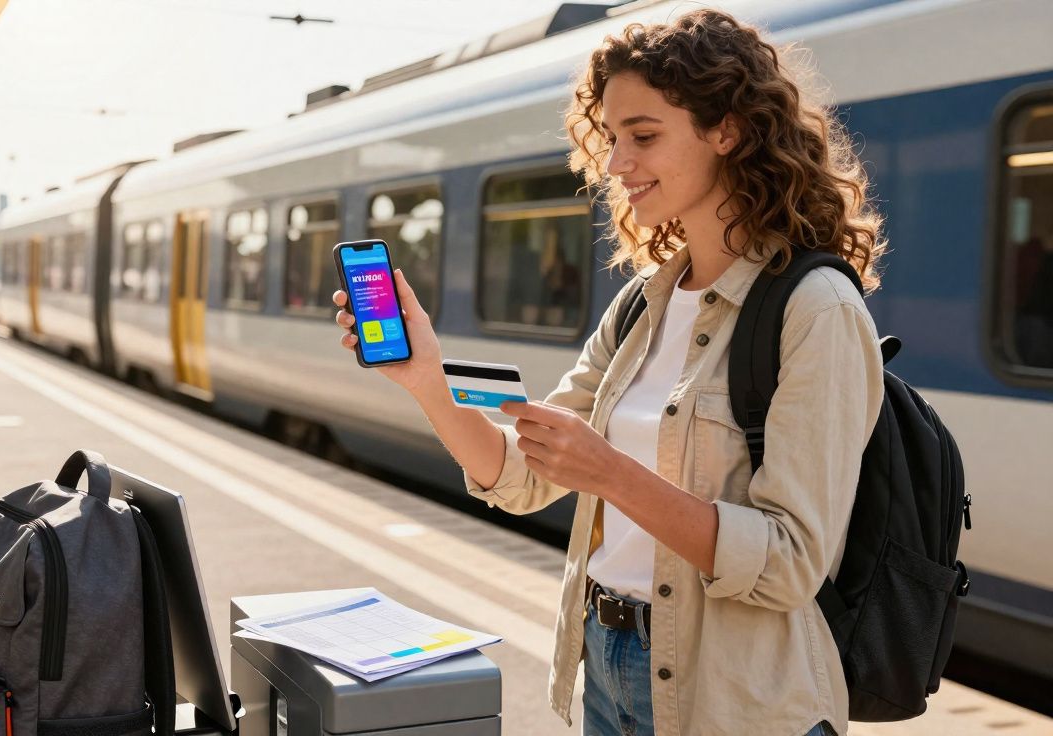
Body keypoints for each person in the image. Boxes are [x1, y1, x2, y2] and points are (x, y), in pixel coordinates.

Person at [332, 9, 886, 736]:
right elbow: (522, 477)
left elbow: (787, 563)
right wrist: (426, 380)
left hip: (735, 699)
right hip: (610, 661)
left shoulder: (815, 308)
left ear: (729, 129)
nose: (617, 164)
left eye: (645, 136)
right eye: (613, 138)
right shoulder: (644, 304)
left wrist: (611, 474)